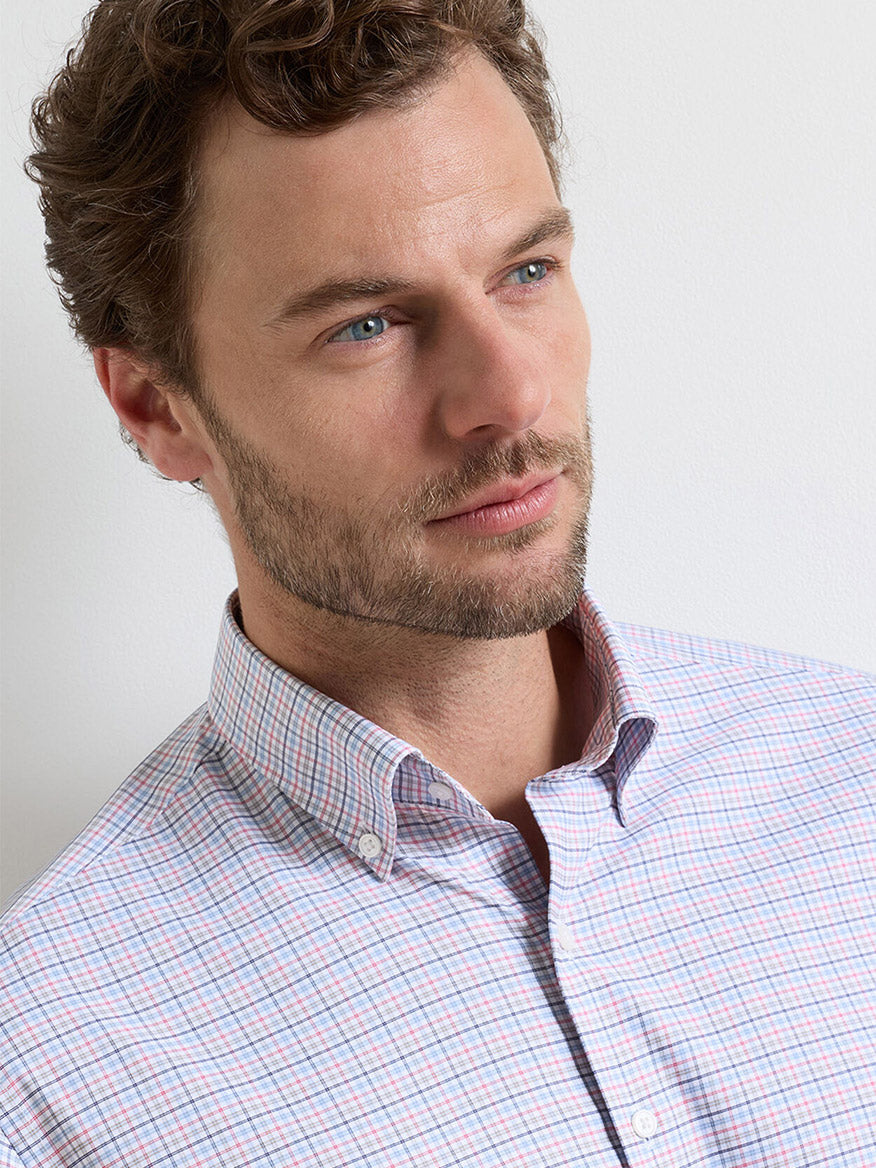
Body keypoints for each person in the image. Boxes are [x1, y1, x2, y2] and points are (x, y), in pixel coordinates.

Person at [1, 0, 874, 1164]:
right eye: (366, 324)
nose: (508, 399)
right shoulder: (53, 1070)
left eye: (525, 269)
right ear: (157, 407)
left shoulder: (853, 782)